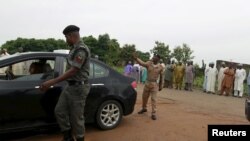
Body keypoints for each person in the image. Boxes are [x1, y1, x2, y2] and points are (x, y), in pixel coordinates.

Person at [40, 25, 90, 141]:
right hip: (70, 86)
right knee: (59, 111)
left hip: (79, 88)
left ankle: (79, 138)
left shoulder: (81, 49)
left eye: (66, 37)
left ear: (71, 36)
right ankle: (68, 137)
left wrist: (51, 82)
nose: (65, 40)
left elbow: (73, 71)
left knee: (77, 119)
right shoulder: (74, 48)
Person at [133, 53, 163, 120]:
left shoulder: (160, 67)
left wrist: (161, 86)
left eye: (155, 57)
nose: (153, 57)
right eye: (153, 56)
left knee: (154, 99)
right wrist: (136, 59)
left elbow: (162, 77)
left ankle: (153, 113)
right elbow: (142, 63)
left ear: (158, 59)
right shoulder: (149, 63)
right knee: (144, 97)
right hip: (147, 83)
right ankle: (144, 108)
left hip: (154, 85)